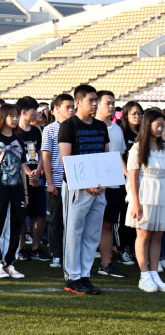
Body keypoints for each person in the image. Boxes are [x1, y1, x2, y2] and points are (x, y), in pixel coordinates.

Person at [59, 84, 110, 295]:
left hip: (98, 187)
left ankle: (85, 274)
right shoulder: (68, 126)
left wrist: (103, 181)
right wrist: (84, 184)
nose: (95, 104)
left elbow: (105, 156)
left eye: (96, 100)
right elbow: (66, 160)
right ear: (78, 102)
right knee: (74, 233)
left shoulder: (101, 126)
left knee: (92, 234)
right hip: (77, 188)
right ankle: (72, 277)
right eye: (91, 100)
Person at [0, 103, 28, 279]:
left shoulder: (19, 141)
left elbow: (22, 168)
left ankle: (9, 263)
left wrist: (25, 192)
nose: (15, 119)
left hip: (17, 192)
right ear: (2, 117)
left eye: (17, 116)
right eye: (11, 115)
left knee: (15, 227)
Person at [126, 109, 165, 292]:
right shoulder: (137, 148)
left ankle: (154, 273)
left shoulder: (163, 148)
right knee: (143, 236)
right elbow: (133, 178)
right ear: (147, 126)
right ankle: (144, 275)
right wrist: (136, 203)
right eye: (158, 126)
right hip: (144, 196)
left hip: (161, 196)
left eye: (163, 126)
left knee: (157, 236)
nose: (161, 129)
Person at [95, 90, 127, 278]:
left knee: (107, 225)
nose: (112, 106)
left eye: (113, 103)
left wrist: (127, 177)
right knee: (87, 226)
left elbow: (119, 157)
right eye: (108, 103)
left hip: (113, 185)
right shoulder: (90, 128)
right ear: (97, 104)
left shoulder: (116, 129)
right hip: (93, 186)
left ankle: (106, 264)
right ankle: (79, 266)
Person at [41, 93, 74, 269]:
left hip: (74, 182)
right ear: (56, 109)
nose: (71, 110)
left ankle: (70, 254)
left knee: (72, 222)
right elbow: (46, 157)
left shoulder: (76, 127)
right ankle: (56, 254)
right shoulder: (50, 129)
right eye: (67, 107)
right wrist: (50, 182)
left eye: (73, 107)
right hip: (57, 182)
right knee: (55, 220)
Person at [16, 96, 49, 261]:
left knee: (41, 213)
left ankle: (36, 247)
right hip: (21, 179)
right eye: (33, 110)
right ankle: (22, 247)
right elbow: (16, 156)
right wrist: (29, 173)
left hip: (37, 178)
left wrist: (37, 171)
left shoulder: (37, 131)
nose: (37, 113)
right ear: (24, 112)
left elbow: (41, 152)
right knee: (22, 214)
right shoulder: (15, 131)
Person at [118, 101, 144, 265]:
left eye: (140, 113)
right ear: (126, 115)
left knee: (138, 217)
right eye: (134, 113)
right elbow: (119, 156)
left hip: (143, 181)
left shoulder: (144, 133)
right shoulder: (122, 132)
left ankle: (135, 249)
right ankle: (123, 249)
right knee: (125, 217)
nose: (137, 116)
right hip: (126, 181)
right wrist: (128, 175)